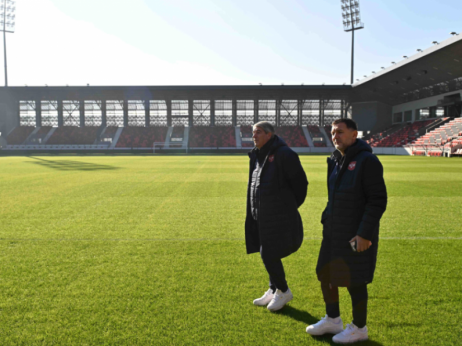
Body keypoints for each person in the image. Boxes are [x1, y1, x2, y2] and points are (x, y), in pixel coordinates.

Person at [306, 118, 387, 344]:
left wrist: (364, 234)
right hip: (333, 232)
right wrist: (326, 217)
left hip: (355, 234)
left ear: (354, 135)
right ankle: (333, 319)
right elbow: (335, 197)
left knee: (355, 280)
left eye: (340, 132)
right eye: (333, 132)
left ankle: (359, 327)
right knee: (325, 273)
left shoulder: (367, 161)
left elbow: (377, 201)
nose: (335, 136)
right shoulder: (335, 161)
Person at [245, 121, 308, 312]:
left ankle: (283, 290)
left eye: (258, 132)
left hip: (278, 216)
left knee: (268, 253)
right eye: (253, 133)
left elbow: (301, 185)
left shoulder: (285, 154)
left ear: (269, 135)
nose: (254, 136)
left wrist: (287, 207)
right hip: (260, 215)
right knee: (265, 250)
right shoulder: (256, 155)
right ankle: (273, 289)